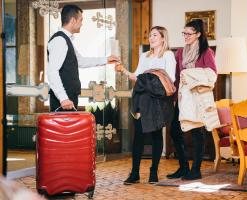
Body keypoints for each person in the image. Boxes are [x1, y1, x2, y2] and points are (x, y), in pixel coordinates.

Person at [115, 26, 176, 185]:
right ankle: (134, 173)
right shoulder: (144, 56)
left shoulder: (168, 55)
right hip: (142, 100)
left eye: (155, 35)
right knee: (139, 136)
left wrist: (150, 78)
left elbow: (170, 79)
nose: (151, 37)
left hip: (158, 102)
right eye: (150, 35)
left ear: (163, 38)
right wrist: (123, 70)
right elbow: (137, 77)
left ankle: (153, 171)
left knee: (156, 135)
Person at [166, 19, 217, 180]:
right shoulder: (180, 52)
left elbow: (212, 74)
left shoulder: (206, 52)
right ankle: (183, 167)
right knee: (175, 130)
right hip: (182, 97)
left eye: (189, 33)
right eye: (184, 33)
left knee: (196, 132)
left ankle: (196, 169)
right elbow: (176, 76)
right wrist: (173, 96)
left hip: (197, 97)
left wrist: (192, 75)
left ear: (198, 34)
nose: (185, 36)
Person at [47, 4, 119, 112]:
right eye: (80, 20)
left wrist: (106, 60)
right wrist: (63, 98)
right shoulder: (60, 41)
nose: (82, 24)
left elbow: (80, 61)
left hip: (69, 99)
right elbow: (52, 71)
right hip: (64, 102)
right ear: (73, 20)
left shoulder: (66, 40)